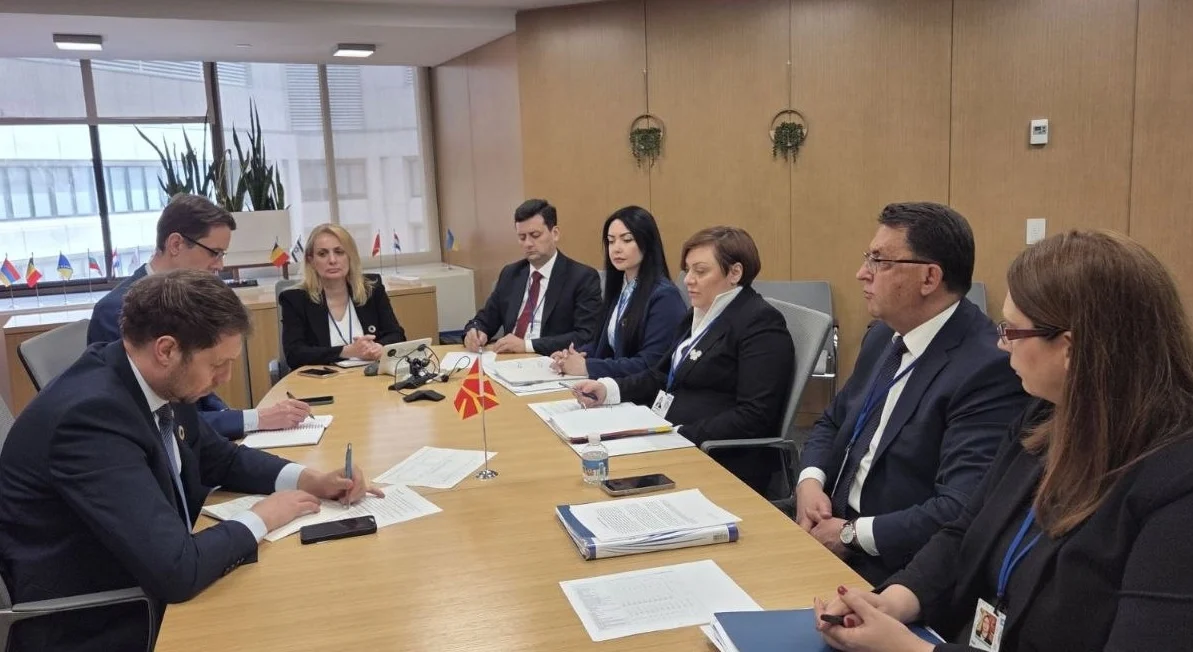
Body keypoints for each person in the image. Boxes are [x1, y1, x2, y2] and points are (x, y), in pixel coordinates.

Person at [814, 230, 1193, 651]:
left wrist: (909, 648)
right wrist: (891, 602)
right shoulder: (1046, 416)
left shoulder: (1176, 484)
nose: (1000, 343)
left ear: (1070, 349)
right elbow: (964, 532)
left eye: (1012, 330)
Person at [0, 269, 382, 652]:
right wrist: (263, 517)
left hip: (147, 572)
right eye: (217, 365)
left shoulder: (159, 380)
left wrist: (308, 478)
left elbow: (220, 458)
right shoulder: (91, 420)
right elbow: (177, 570)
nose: (225, 377)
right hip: (104, 619)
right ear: (166, 350)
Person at [796, 202, 1028, 585]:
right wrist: (809, 481)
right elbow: (833, 420)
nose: (862, 273)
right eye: (867, 258)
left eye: (879, 261)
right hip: (824, 526)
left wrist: (852, 535)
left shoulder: (988, 368)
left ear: (929, 278)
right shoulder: (884, 335)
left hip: (896, 565)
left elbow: (959, 506)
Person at [571, 226, 794, 493]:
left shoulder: (760, 323)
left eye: (700, 271)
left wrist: (679, 435)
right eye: (687, 270)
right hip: (669, 438)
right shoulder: (699, 313)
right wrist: (609, 389)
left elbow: (754, 416)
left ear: (735, 273)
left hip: (719, 458)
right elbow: (661, 374)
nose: (688, 280)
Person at [87, 194, 310, 439]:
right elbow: (149, 417)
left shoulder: (193, 296)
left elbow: (200, 391)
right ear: (176, 244)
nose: (220, 265)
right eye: (215, 252)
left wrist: (231, 415)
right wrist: (253, 419)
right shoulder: (116, 310)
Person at [549, 206, 685, 378]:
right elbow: (606, 345)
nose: (616, 248)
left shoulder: (665, 296)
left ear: (647, 243)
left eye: (627, 240)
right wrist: (574, 356)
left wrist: (588, 367)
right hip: (612, 385)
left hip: (640, 390)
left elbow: (651, 364)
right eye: (611, 241)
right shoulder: (620, 288)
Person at [463, 198, 602, 355]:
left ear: (555, 234)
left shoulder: (582, 278)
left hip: (550, 361)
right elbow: (484, 320)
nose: (528, 243)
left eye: (535, 235)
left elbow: (586, 335)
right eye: (522, 237)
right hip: (507, 360)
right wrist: (475, 331)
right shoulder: (511, 274)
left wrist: (527, 345)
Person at [279, 223, 407, 369]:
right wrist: (346, 351)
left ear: (350, 257)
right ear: (311, 261)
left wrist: (379, 347)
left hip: (371, 375)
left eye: (339, 252)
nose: (332, 260)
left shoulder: (372, 289)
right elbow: (294, 354)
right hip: (324, 379)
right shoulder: (295, 299)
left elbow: (397, 335)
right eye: (322, 254)